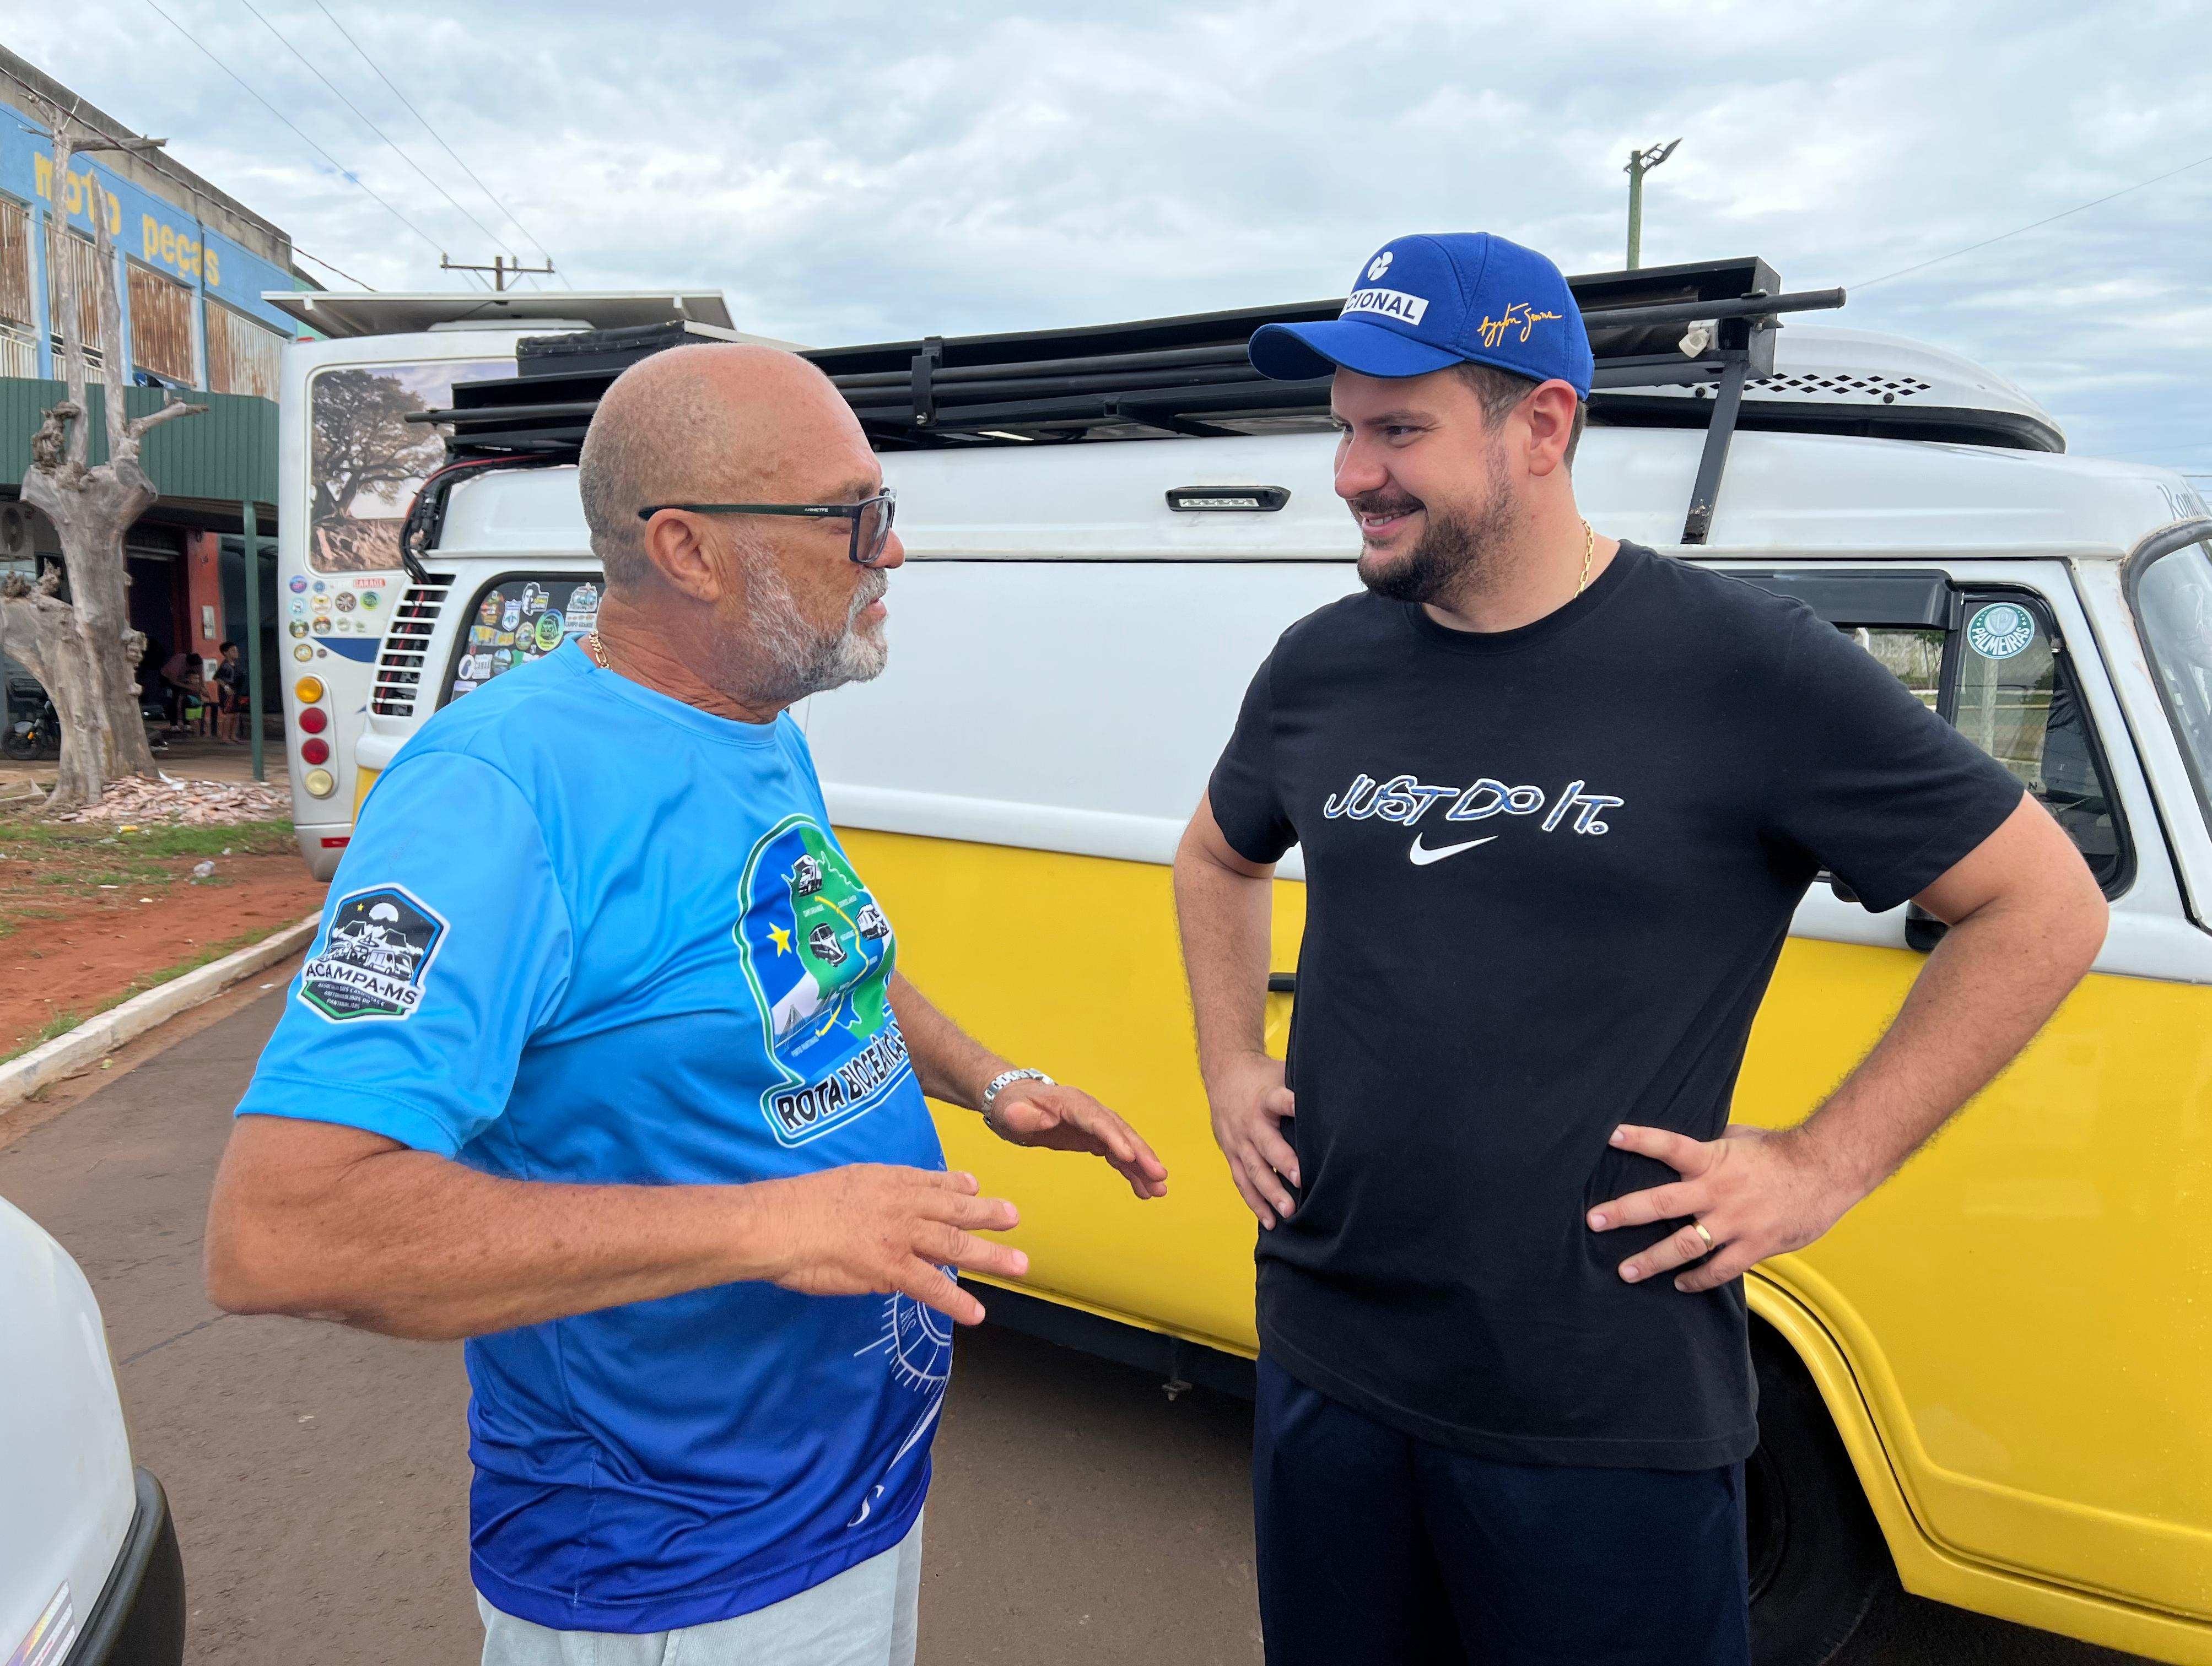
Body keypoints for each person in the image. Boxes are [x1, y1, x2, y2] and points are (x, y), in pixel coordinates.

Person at [1170, 232, 2108, 1665]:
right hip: (1327, 1360)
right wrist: (1229, 1066)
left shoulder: (1739, 665)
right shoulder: (1320, 664)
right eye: (1344, 429)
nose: (1353, 470)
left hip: (1597, 1413)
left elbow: (2041, 905)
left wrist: (1818, 1163)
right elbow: (1216, 855)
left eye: (1397, 428)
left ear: (1540, 425)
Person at [205, 343, 1169, 1665]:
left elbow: (823, 964)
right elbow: (281, 1231)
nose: (890, 555)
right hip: (674, 1575)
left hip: (851, 1497)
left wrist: (991, 1082)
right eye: (855, 518)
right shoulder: (495, 795)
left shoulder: (755, 718)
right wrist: (775, 1221)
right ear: (690, 551)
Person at [212, 640, 242, 744]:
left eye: (236, 651)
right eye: (233, 651)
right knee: (229, 714)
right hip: (228, 693)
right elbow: (217, 678)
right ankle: (225, 737)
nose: (236, 652)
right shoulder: (225, 666)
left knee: (236, 714)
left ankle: (233, 736)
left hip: (236, 691)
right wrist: (226, 687)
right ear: (226, 653)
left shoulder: (237, 664)